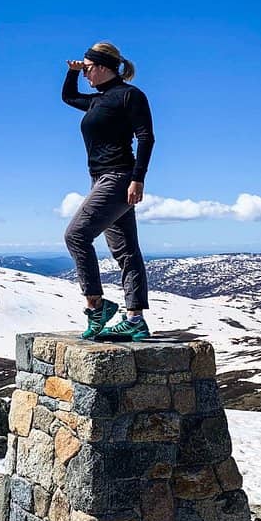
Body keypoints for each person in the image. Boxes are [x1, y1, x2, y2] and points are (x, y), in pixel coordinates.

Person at [61, 41, 155, 341]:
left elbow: (146, 138)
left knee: (76, 235)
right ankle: (135, 319)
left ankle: (96, 306)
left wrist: (137, 179)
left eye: (88, 69)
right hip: (101, 178)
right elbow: (68, 96)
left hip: (119, 177)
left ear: (102, 67)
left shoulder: (130, 95)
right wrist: (73, 71)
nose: (86, 74)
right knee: (126, 251)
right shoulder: (97, 100)